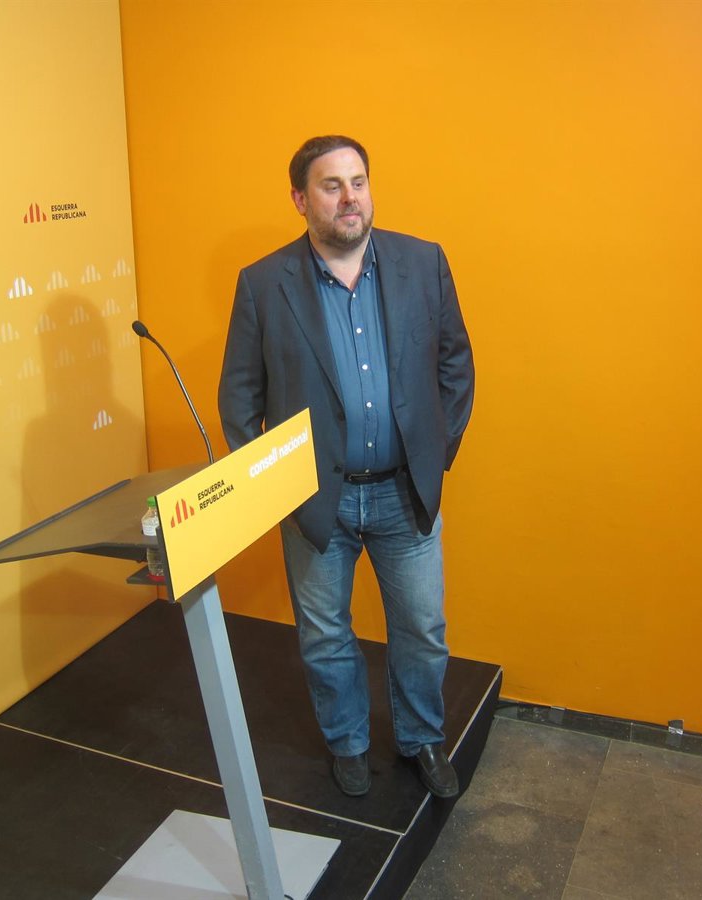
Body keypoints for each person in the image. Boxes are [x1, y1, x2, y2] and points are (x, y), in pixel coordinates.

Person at [218, 135, 474, 798]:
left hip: (404, 494)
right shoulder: (263, 283)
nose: (349, 197)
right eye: (331, 186)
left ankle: (421, 738)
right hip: (314, 500)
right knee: (325, 634)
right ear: (301, 199)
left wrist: (433, 457)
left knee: (422, 630)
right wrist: (272, 487)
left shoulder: (423, 263)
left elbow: (456, 366)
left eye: (358, 181)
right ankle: (348, 743)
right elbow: (240, 397)